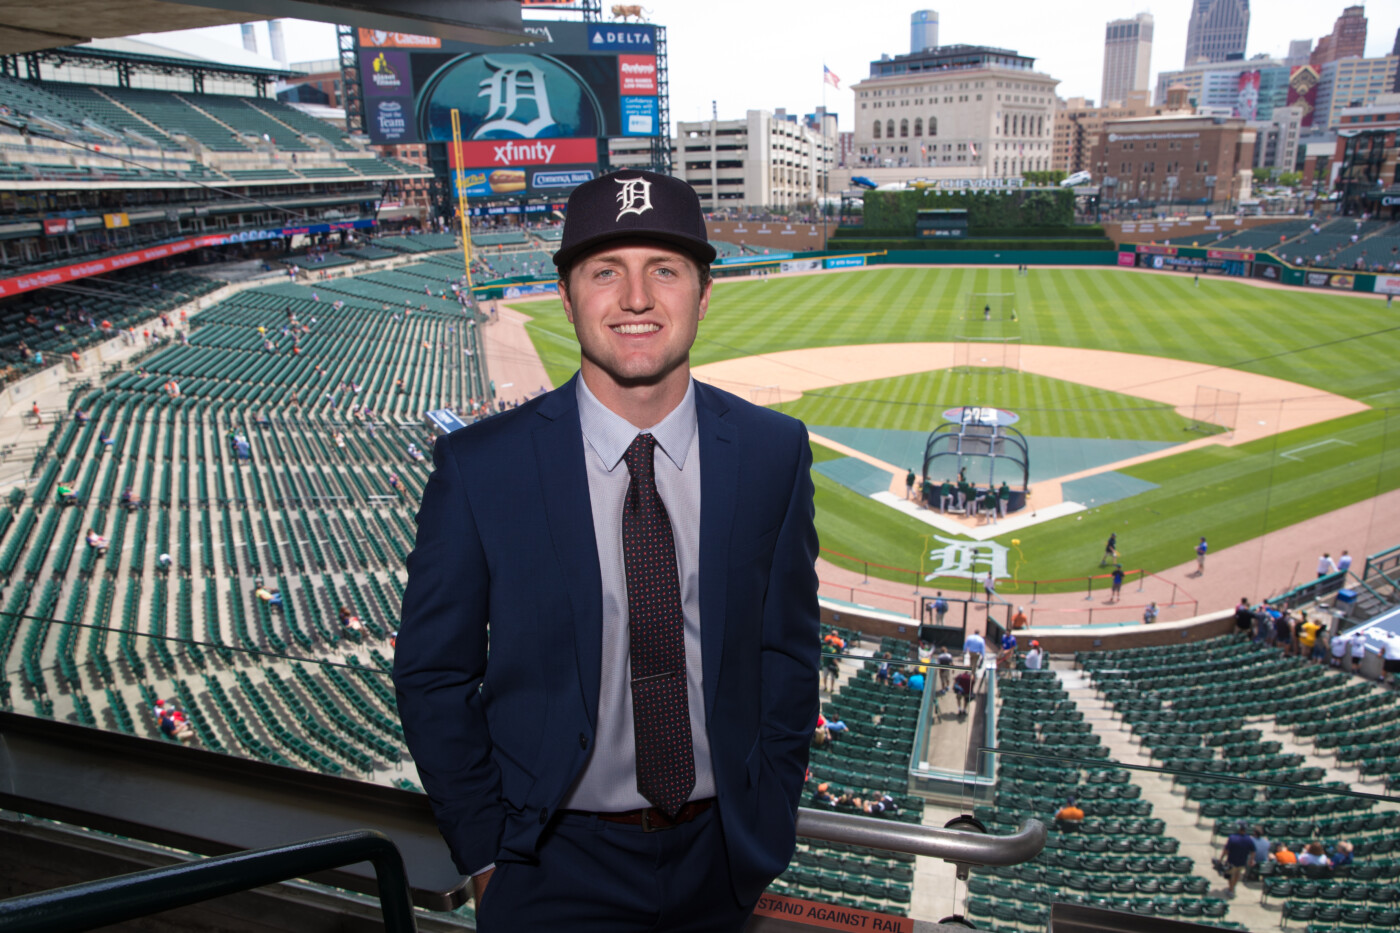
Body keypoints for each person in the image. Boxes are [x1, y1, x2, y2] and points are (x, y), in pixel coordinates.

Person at [393, 170, 820, 930]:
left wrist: (772, 813)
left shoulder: (772, 452)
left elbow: (787, 650)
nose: (635, 298)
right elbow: (434, 673)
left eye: (664, 269)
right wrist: (487, 854)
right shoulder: (480, 467)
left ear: (704, 292)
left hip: (720, 860)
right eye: (604, 271)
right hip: (547, 864)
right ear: (566, 296)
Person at [1222, 822, 1255, 896]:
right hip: (1242, 861)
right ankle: (1232, 888)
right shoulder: (1248, 839)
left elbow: (1226, 850)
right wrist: (1251, 860)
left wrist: (1221, 858)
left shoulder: (1232, 837)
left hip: (1231, 861)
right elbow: (1253, 851)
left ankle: (1231, 889)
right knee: (1237, 874)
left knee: (1229, 875)